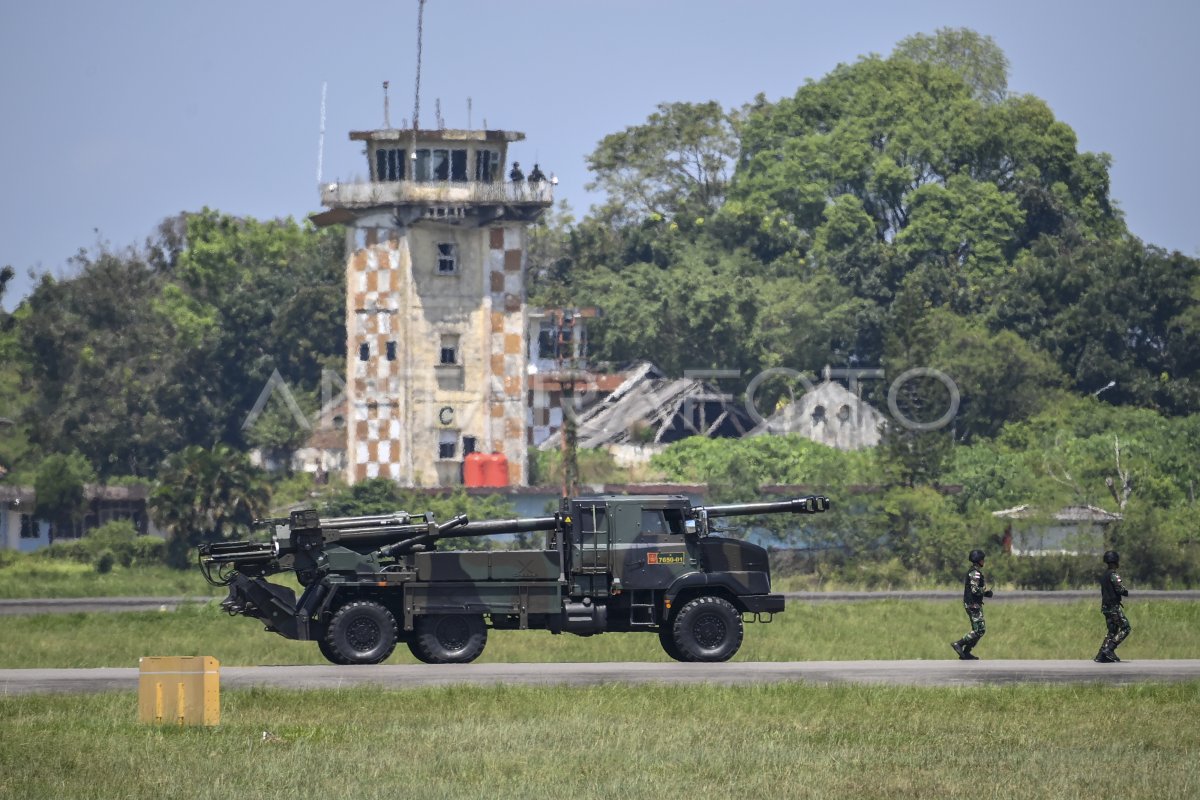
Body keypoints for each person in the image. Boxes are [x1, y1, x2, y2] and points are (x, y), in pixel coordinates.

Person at [951, 549, 992, 660]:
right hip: (973, 604)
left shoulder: (974, 571)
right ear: (978, 560)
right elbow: (975, 590)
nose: (984, 561)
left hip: (973, 604)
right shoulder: (975, 573)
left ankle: (966, 652)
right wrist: (986, 592)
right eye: (982, 559)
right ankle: (959, 644)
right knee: (980, 630)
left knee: (979, 630)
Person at [1094, 550, 1131, 663]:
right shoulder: (1113, 575)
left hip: (1105, 607)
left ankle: (1101, 654)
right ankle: (1109, 649)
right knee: (1126, 628)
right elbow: (1120, 589)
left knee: (1112, 631)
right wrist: (1125, 592)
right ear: (1116, 561)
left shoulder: (1104, 575)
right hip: (1113, 607)